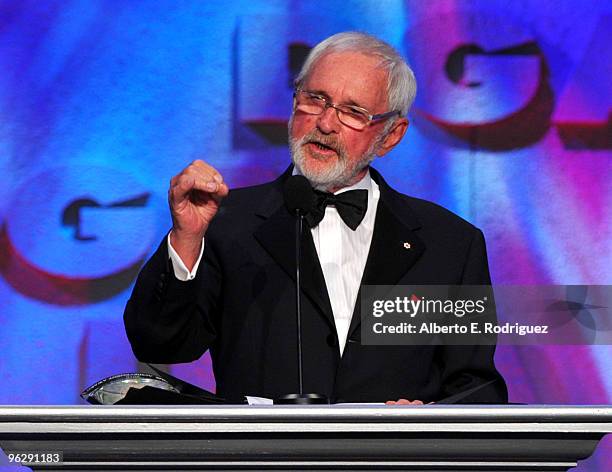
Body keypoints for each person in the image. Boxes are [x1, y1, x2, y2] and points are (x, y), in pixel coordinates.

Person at [124, 32, 508, 404]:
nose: (325, 123)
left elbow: (478, 387)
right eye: (316, 100)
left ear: (391, 135)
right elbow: (160, 344)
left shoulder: (450, 244)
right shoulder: (226, 224)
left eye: (354, 112)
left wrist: (426, 419)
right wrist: (187, 240)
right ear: (294, 104)